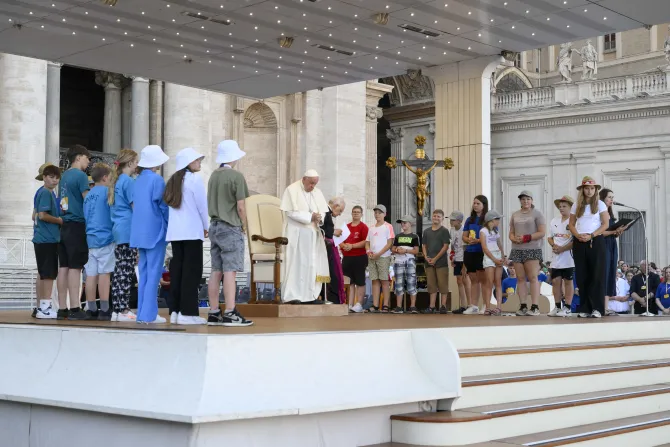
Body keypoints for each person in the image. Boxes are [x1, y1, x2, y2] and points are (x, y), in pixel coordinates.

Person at [207, 140, 253, 326]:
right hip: (230, 226)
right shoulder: (236, 176)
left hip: (215, 226)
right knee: (230, 272)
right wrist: (244, 225)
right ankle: (231, 311)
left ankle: (213, 311)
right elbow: (241, 206)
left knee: (216, 271)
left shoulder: (213, 176)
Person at [165, 148, 209, 325]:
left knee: (178, 272)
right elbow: (202, 207)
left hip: (176, 233)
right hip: (191, 232)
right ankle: (188, 312)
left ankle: (175, 311)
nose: (199, 162)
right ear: (188, 163)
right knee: (191, 273)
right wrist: (206, 226)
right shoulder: (194, 180)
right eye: (197, 160)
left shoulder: (173, 181)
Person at [130, 145, 170, 324]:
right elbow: (163, 206)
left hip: (139, 232)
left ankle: (142, 313)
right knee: (154, 273)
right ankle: (149, 314)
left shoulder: (136, 180)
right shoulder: (157, 180)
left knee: (144, 273)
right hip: (155, 230)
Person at [280, 169, 331, 304]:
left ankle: (310, 296)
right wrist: (310, 217)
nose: (312, 186)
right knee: (297, 264)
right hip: (296, 234)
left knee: (311, 265)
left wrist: (319, 218)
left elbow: (323, 212)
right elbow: (290, 212)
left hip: (312, 235)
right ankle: (292, 295)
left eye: (315, 184)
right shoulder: (291, 190)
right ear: (304, 179)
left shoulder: (317, 193)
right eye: (311, 183)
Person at [57, 144, 91, 320]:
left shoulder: (64, 177)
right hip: (78, 223)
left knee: (63, 266)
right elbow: (88, 200)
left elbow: (63, 201)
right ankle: (75, 307)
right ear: (78, 157)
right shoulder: (80, 176)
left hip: (64, 223)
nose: (88, 161)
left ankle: (62, 307)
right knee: (75, 267)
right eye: (87, 157)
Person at [568, 176, 609, 318]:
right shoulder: (576, 205)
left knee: (596, 275)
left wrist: (592, 235)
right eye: (587, 188)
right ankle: (585, 306)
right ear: (583, 190)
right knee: (582, 275)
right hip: (579, 241)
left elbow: (605, 224)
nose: (589, 191)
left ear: (595, 190)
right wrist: (578, 235)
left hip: (595, 240)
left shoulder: (601, 204)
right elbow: (571, 224)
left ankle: (597, 307)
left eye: (592, 188)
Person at [109, 149, 139, 322]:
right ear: (129, 163)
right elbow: (135, 207)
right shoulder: (128, 181)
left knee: (120, 270)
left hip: (119, 229)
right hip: (128, 229)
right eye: (135, 162)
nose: (137, 165)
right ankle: (123, 309)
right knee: (126, 271)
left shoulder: (117, 180)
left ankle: (117, 308)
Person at [82, 163, 115, 321]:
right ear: (105, 177)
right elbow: (111, 213)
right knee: (104, 274)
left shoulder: (88, 194)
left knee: (90, 275)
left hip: (90, 237)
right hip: (105, 237)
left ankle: (91, 308)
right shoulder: (107, 192)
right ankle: (104, 308)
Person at [508, 190, 546, 316]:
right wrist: (513, 238)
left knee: (533, 277)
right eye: (523, 199)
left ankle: (534, 306)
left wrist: (527, 237)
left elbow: (542, 232)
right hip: (517, 249)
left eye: (528, 199)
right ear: (520, 201)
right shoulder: (515, 215)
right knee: (520, 278)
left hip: (532, 248)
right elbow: (511, 232)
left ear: (532, 200)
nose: (525, 201)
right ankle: (523, 305)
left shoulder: (537, 214)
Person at [33, 164, 62, 319]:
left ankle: (44, 305)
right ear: (44, 177)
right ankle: (45, 306)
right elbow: (42, 215)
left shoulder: (46, 193)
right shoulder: (45, 192)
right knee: (48, 274)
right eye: (51, 177)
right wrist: (59, 221)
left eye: (57, 177)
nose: (54, 180)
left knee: (46, 273)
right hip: (46, 239)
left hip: (45, 239)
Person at [547, 195, 575, 317]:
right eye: (560, 207)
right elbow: (549, 237)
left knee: (568, 282)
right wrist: (553, 245)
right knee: (555, 281)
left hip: (569, 257)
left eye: (564, 206)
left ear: (570, 207)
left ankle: (568, 307)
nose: (561, 208)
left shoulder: (574, 221)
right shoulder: (554, 221)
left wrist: (563, 248)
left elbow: (576, 240)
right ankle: (558, 307)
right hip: (556, 258)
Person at [599, 188, 625, 316]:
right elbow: (599, 233)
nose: (612, 200)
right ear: (603, 198)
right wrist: (613, 232)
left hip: (611, 245)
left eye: (612, 197)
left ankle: (606, 306)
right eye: (609, 197)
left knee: (610, 274)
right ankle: (602, 307)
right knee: (604, 274)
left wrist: (618, 232)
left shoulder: (610, 214)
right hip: (602, 246)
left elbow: (611, 234)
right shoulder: (599, 213)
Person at [365, 204, 394, 313]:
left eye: (379, 213)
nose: (377, 214)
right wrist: (368, 252)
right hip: (372, 257)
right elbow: (367, 242)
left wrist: (379, 253)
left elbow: (389, 243)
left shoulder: (388, 226)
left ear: (384, 214)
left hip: (383, 257)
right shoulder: (371, 228)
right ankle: (376, 305)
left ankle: (385, 304)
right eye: (376, 212)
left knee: (384, 280)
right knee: (374, 280)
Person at [462, 195, 489, 314]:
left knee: (483, 280)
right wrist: (468, 240)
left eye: (478, 203)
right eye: (474, 203)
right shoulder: (469, 219)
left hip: (481, 251)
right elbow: (464, 236)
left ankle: (485, 304)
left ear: (484, 205)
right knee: (473, 279)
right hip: (470, 251)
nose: (475, 205)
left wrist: (479, 241)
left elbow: (492, 236)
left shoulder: (487, 219)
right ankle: (473, 305)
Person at [422, 209, 451, 314]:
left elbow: (445, 246)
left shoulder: (444, 231)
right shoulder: (427, 231)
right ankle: (432, 306)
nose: (436, 218)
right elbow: (424, 245)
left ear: (442, 218)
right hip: (429, 262)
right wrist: (426, 256)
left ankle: (443, 305)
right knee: (431, 284)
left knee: (443, 284)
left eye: (438, 216)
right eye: (434, 216)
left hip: (441, 262)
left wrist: (435, 258)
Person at [341, 205, 369, 313]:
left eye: (358, 212)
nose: (355, 213)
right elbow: (340, 239)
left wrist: (352, 246)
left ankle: (359, 304)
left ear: (361, 214)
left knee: (360, 281)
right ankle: (350, 303)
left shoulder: (363, 227)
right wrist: (344, 246)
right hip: (347, 257)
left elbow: (365, 241)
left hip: (359, 257)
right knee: (349, 282)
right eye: (354, 212)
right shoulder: (346, 227)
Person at [391, 215, 420, 314]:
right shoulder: (398, 236)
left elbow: (416, 250)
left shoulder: (414, 236)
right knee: (399, 283)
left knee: (411, 282)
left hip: (410, 261)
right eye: (402, 223)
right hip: (398, 261)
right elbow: (393, 248)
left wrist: (406, 250)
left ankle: (412, 306)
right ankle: (399, 307)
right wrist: (397, 250)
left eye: (405, 222)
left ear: (410, 223)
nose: (403, 224)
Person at [321, 197, 346, 305]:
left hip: (327, 247)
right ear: (336, 206)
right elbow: (321, 228)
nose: (339, 214)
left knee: (332, 273)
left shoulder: (327, 213)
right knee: (330, 273)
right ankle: (329, 297)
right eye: (340, 211)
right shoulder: (325, 211)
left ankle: (330, 297)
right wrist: (333, 232)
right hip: (324, 248)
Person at [480, 210, 504, 315]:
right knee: (489, 282)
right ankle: (488, 306)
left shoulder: (496, 231)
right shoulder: (483, 231)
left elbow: (499, 244)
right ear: (491, 220)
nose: (498, 221)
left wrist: (503, 257)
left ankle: (498, 307)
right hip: (489, 257)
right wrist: (494, 259)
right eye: (497, 219)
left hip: (498, 256)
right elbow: (484, 248)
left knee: (498, 282)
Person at [449, 211, 470, 314]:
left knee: (466, 280)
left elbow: (466, 247)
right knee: (459, 280)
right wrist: (452, 257)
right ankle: (463, 305)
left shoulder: (464, 230)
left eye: (453, 220)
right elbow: (453, 245)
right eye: (450, 219)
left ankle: (471, 305)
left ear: (460, 221)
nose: (451, 221)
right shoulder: (452, 230)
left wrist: (465, 264)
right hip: (457, 257)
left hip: (464, 258)